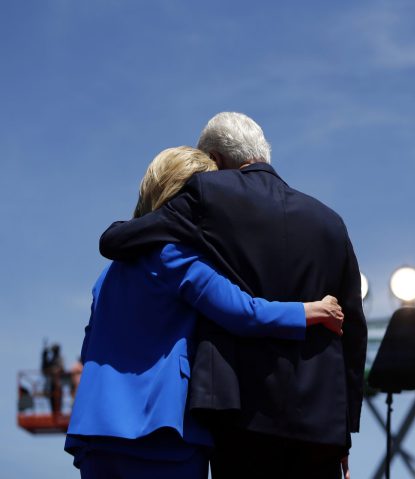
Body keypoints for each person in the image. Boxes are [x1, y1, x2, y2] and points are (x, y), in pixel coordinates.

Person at [100, 112, 367, 479]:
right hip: (320, 423)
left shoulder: (210, 195)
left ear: (218, 160)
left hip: (241, 415)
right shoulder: (331, 223)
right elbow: (353, 334)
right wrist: (345, 434)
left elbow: (119, 239)